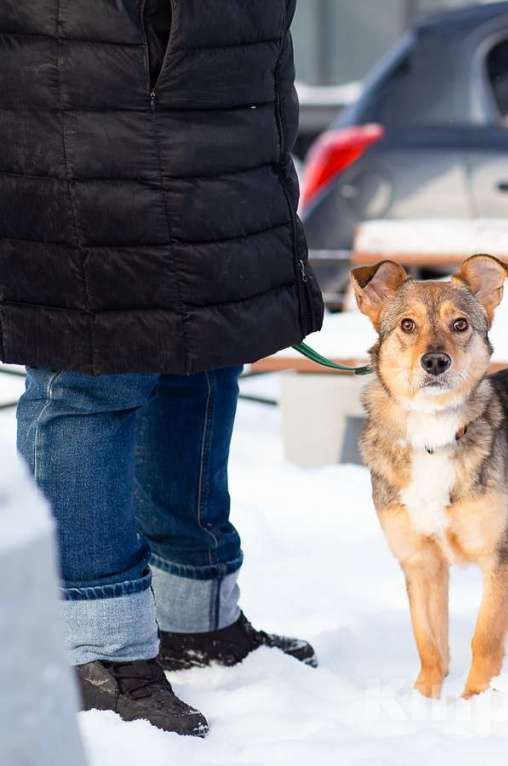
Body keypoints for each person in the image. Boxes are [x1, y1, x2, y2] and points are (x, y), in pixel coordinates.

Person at [0, 0, 324, 737]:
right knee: (92, 377)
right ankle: (94, 650)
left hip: (226, 98)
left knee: (204, 358)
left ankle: (196, 618)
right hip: (73, 103)